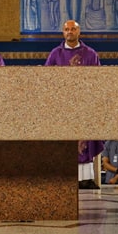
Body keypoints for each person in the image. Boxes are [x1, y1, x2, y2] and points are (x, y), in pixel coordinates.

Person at [45, 20, 103, 189]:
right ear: (63, 32)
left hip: (84, 105)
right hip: (62, 106)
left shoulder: (90, 54)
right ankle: (65, 177)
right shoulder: (55, 54)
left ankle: (86, 178)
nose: (69, 32)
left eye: (73, 29)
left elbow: (99, 78)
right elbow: (46, 78)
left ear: (79, 32)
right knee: (65, 141)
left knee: (84, 141)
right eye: (66, 29)